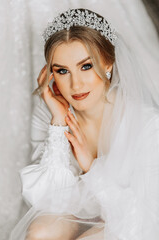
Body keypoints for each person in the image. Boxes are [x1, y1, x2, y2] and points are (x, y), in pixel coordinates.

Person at [10, 8, 159, 240]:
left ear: (108, 63)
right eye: (62, 71)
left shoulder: (148, 125)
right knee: (40, 232)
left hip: (132, 218)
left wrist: (91, 167)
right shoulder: (52, 112)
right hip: (80, 214)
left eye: (86, 66)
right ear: (51, 75)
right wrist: (58, 124)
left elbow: (143, 222)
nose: (76, 85)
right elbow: (51, 201)